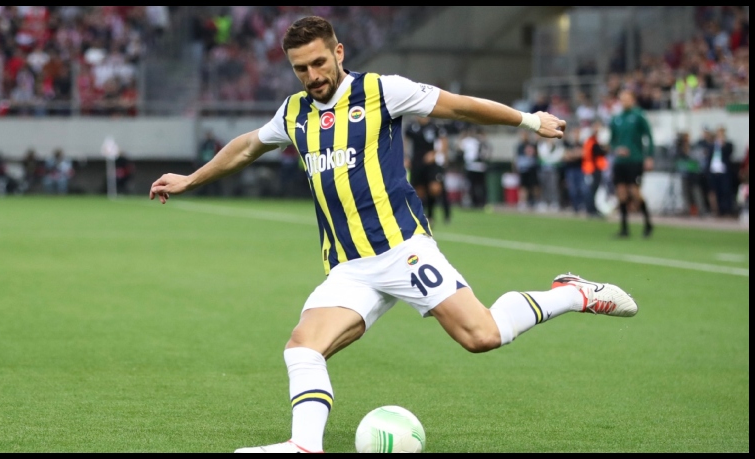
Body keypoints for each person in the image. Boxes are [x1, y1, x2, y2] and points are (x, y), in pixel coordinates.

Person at [149, 16, 639, 454]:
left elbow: (459, 107)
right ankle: (304, 445)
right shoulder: (294, 112)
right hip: (349, 268)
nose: (312, 75)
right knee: (302, 348)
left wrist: (529, 120)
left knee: (482, 335)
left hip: (403, 249)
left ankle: (571, 294)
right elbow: (246, 146)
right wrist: (191, 179)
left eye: (319, 62)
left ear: (338, 52)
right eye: (301, 69)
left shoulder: (382, 91)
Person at [609, 89, 655, 238]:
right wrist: (617, 149)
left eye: (627, 99)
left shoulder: (638, 116)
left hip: (635, 160)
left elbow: (649, 136)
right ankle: (624, 228)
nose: (624, 101)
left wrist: (649, 156)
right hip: (620, 161)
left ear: (633, 100)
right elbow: (612, 141)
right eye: (622, 99)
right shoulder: (616, 118)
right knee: (621, 193)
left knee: (634, 191)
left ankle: (648, 223)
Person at [404, 116, 450, 226]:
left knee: (434, 189)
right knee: (419, 191)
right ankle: (423, 217)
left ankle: (432, 214)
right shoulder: (412, 126)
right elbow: (405, 141)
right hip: (416, 162)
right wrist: (405, 156)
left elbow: (444, 141)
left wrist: (435, 154)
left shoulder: (435, 126)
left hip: (431, 164)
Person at [705, 126, 735, 218]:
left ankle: (726, 210)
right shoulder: (712, 145)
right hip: (713, 172)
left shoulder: (728, 144)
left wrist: (723, 145)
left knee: (725, 191)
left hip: (724, 172)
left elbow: (729, 154)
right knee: (715, 191)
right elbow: (709, 158)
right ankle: (717, 211)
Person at [581, 120, 609, 218]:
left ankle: (592, 209)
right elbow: (598, 152)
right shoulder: (592, 141)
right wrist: (605, 149)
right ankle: (591, 209)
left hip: (592, 168)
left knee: (593, 190)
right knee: (592, 190)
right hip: (593, 169)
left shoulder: (591, 141)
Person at [460, 126, 489, 210]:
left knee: (473, 186)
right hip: (480, 166)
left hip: (472, 166)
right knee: (480, 186)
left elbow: (459, 147)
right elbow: (487, 154)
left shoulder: (468, 141)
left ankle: (475, 202)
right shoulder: (482, 141)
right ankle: (482, 203)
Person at [514, 130, 540, 210]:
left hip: (531, 168)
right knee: (523, 187)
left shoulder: (532, 144)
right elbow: (517, 158)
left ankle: (537, 202)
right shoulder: (519, 146)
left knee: (534, 186)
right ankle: (523, 202)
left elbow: (536, 155)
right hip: (523, 169)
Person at [196, 130, 224, 196]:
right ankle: (205, 194)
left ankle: (218, 194)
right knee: (205, 180)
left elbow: (220, 151)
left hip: (214, 164)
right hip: (205, 164)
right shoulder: (204, 144)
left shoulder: (215, 143)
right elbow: (200, 154)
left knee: (215, 180)